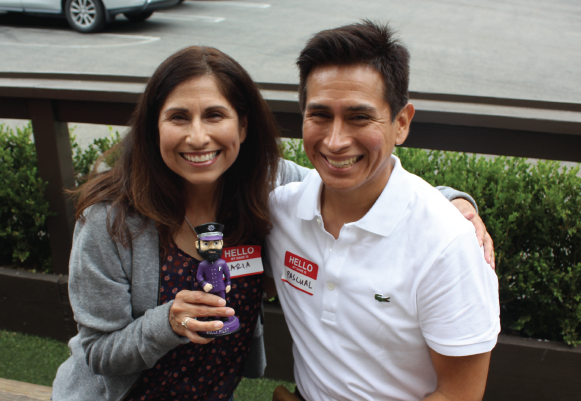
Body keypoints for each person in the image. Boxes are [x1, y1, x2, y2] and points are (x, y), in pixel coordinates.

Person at [51, 45, 490, 401]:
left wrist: (455, 203)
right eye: (179, 117)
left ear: (242, 126)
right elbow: (96, 351)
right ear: (153, 128)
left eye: (215, 115)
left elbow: (357, 184)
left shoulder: (265, 188)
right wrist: (166, 324)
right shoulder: (110, 219)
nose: (198, 137)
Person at [267, 21, 500, 401]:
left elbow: (459, 394)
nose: (336, 141)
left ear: (401, 123)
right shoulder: (281, 211)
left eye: (359, 117)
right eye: (320, 115)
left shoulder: (447, 245)